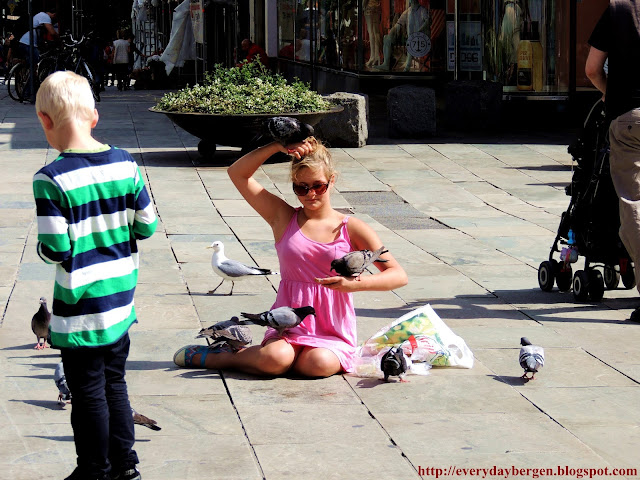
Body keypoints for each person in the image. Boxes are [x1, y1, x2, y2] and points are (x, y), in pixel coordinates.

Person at [173, 138, 408, 376]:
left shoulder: (352, 227)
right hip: (286, 322)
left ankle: (289, 359)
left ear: (332, 180)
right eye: (301, 188)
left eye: (319, 186)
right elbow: (237, 173)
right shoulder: (283, 217)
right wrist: (277, 146)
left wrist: (353, 285)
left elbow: (398, 276)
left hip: (332, 328)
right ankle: (223, 357)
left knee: (318, 364)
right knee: (275, 359)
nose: (310, 194)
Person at [32, 71, 158, 480]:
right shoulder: (126, 163)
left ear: (45, 121)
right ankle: (125, 467)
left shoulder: (51, 179)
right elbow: (147, 226)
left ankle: (93, 470)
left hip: (81, 309)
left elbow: (56, 249)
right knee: (115, 385)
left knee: (88, 396)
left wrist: (45, 248)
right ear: (95, 117)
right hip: (120, 302)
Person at [585, 2, 640, 322]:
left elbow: (592, 69)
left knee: (633, 204)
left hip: (629, 119)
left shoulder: (619, 10)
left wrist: (608, 94)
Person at [373, 0, 430, 72]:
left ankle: (407, 67)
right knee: (387, 38)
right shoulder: (407, 12)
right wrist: (392, 32)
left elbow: (428, 22)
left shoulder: (422, 10)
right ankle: (386, 64)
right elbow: (398, 24)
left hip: (420, 39)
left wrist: (418, 31)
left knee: (411, 40)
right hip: (409, 38)